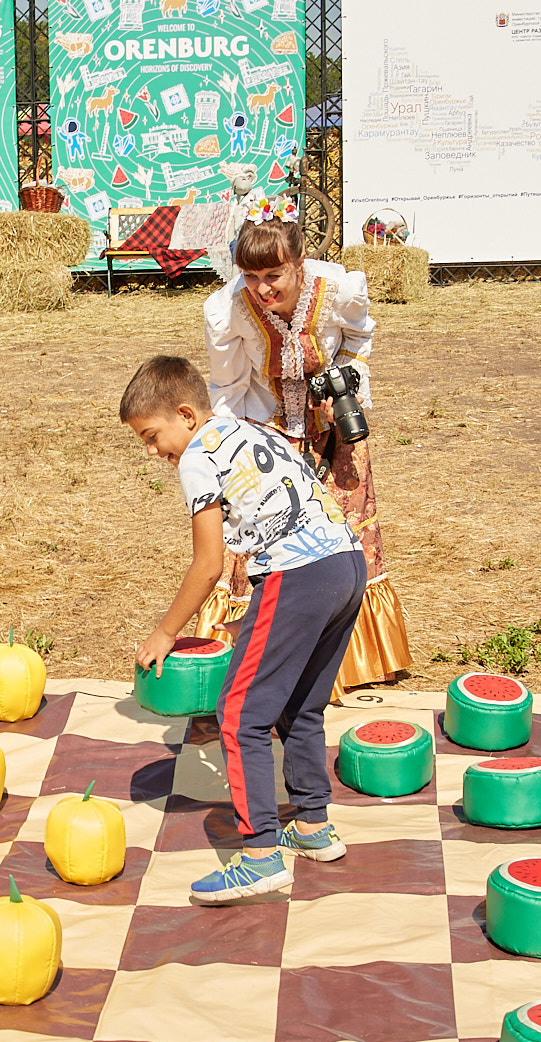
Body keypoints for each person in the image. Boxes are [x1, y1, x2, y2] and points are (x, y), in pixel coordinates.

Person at [124, 354, 364, 905]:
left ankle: (258, 856)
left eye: (151, 435)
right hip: (348, 565)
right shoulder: (247, 428)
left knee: (238, 713)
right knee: (299, 705)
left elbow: (208, 564)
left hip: (298, 574)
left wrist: (164, 632)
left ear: (185, 415)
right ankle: (312, 825)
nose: (152, 451)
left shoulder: (197, 457)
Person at [200, 208, 412, 693]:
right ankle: (260, 651)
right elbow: (228, 386)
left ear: (299, 264)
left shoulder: (337, 290)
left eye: (274, 275)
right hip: (269, 431)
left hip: (333, 427)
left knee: (341, 533)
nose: (263, 289)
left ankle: (343, 662)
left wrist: (347, 381)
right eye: (250, 277)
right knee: (270, 537)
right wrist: (233, 451)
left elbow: (361, 335)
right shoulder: (229, 309)